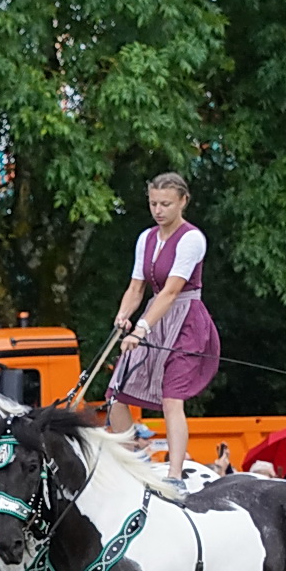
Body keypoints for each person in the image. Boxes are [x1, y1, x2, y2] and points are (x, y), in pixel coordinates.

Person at [107, 172, 220, 494]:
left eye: (166, 204)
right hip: (154, 316)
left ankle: (174, 474)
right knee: (116, 392)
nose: (158, 210)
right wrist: (123, 317)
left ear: (183, 201)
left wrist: (141, 328)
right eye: (154, 203)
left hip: (185, 321)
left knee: (172, 398)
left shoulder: (192, 239)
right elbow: (136, 287)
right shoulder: (146, 238)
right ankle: (131, 467)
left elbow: (171, 291)